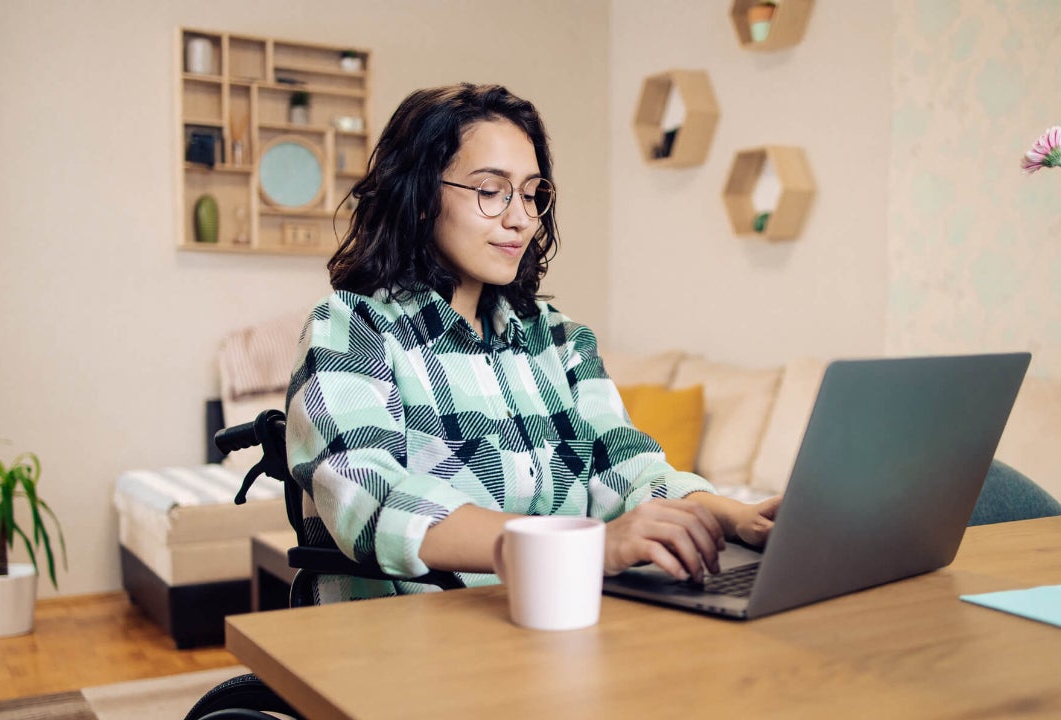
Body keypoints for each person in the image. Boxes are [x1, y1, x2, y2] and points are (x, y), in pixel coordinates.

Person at [285, 83, 779, 603]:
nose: (520, 217)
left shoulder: (560, 339)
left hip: (555, 619)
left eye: (530, 192)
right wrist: (584, 546)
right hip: (412, 640)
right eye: (490, 189)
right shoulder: (350, 326)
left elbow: (627, 467)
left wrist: (740, 518)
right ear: (422, 196)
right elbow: (373, 501)